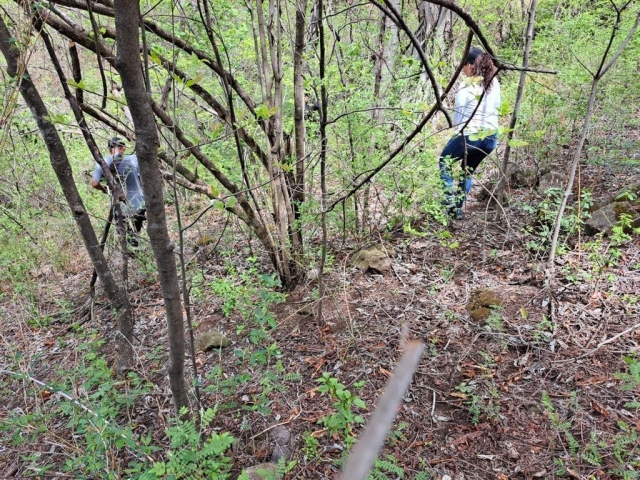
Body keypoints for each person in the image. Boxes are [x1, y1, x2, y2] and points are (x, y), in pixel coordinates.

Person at [439, 47, 501, 220]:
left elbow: (459, 113)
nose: (463, 71)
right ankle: (456, 210)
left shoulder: (467, 84)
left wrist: (457, 133)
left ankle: (449, 199)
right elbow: (497, 106)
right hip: (490, 138)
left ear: (471, 65)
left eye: (464, 66)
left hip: (469, 135)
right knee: (467, 171)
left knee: (444, 161)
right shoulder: (494, 82)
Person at [91, 137, 146, 247]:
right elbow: (143, 179)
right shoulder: (133, 159)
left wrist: (105, 190)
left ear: (109, 149)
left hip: (120, 206)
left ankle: (130, 256)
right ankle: (136, 252)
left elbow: (94, 183)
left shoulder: (103, 162)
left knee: (124, 235)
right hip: (138, 203)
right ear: (123, 148)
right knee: (135, 232)